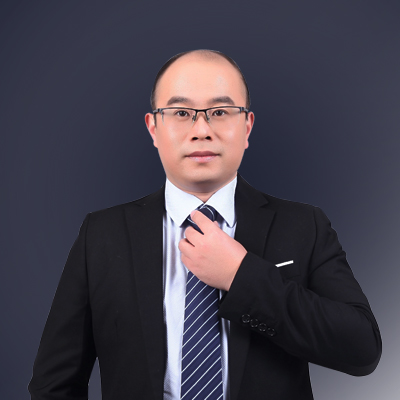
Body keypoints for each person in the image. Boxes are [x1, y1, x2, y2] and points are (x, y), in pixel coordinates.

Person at [29, 50, 381, 400]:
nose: (201, 130)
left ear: (247, 126)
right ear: (153, 128)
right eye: (181, 113)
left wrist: (241, 276)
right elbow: (54, 385)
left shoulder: (304, 226)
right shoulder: (101, 235)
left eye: (220, 112)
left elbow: (362, 349)